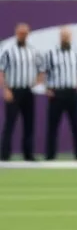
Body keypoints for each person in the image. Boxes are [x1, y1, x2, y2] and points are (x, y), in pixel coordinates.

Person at [43, 26, 77, 161]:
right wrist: (47, 88)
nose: (65, 38)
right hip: (56, 93)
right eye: (63, 35)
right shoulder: (51, 53)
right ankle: (50, 155)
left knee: (76, 125)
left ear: (71, 37)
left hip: (72, 92)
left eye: (67, 35)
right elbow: (44, 72)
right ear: (60, 37)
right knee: (52, 126)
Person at [0, 22, 42, 161]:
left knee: (29, 123)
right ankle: (5, 154)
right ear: (16, 33)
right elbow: (1, 71)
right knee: (10, 123)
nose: (23, 35)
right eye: (21, 33)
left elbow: (41, 68)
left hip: (27, 90)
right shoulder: (8, 51)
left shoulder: (33, 50)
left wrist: (37, 81)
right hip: (14, 89)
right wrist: (5, 89)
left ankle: (28, 154)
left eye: (25, 33)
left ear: (28, 34)